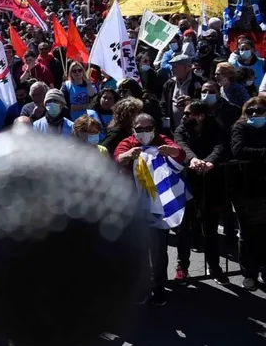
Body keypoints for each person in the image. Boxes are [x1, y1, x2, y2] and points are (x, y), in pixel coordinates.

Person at [114, 113, 185, 306]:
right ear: (133, 130)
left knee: (159, 249)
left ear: (154, 128)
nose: (144, 133)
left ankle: (159, 286)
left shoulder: (161, 140)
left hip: (157, 203)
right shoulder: (128, 142)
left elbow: (179, 152)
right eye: (139, 129)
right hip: (133, 204)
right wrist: (128, 156)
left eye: (147, 128)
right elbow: (118, 157)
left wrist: (171, 151)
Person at [174, 99, 229, 284]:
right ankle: (182, 266)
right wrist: (193, 160)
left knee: (211, 228)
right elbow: (180, 144)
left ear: (200, 116)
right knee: (185, 227)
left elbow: (220, 146)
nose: (184, 116)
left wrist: (210, 161)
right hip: (188, 182)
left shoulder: (215, 127)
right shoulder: (182, 128)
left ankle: (214, 266)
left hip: (211, 182)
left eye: (188, 114)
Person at [230, 96, 266, 289]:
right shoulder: (240, 128)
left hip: (264, 186)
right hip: (245, 187)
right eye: (250, 111)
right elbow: (238, 150)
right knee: (247, 232)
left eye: (259, 111)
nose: (254, 114)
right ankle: (249, 272)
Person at [161, 55, 202, 134]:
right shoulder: (169, 83)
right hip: (173, 128)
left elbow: (203, 104)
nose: (172, 69)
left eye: (175, 67)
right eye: (172, 66)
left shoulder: (198, 82)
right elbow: (163, 104)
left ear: (187, 68)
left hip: (193, 128)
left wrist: (191, 102)